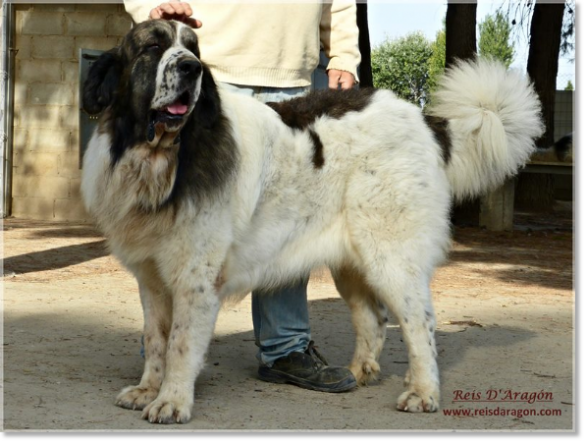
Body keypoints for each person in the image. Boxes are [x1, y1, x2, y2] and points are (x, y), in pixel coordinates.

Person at [123, 0, 361, 393]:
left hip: (295, 75)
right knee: (183, 229)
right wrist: (150, 6)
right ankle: (165, 353)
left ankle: (285, 348)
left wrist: (344, 54)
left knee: (286, 223)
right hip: (209, 69)